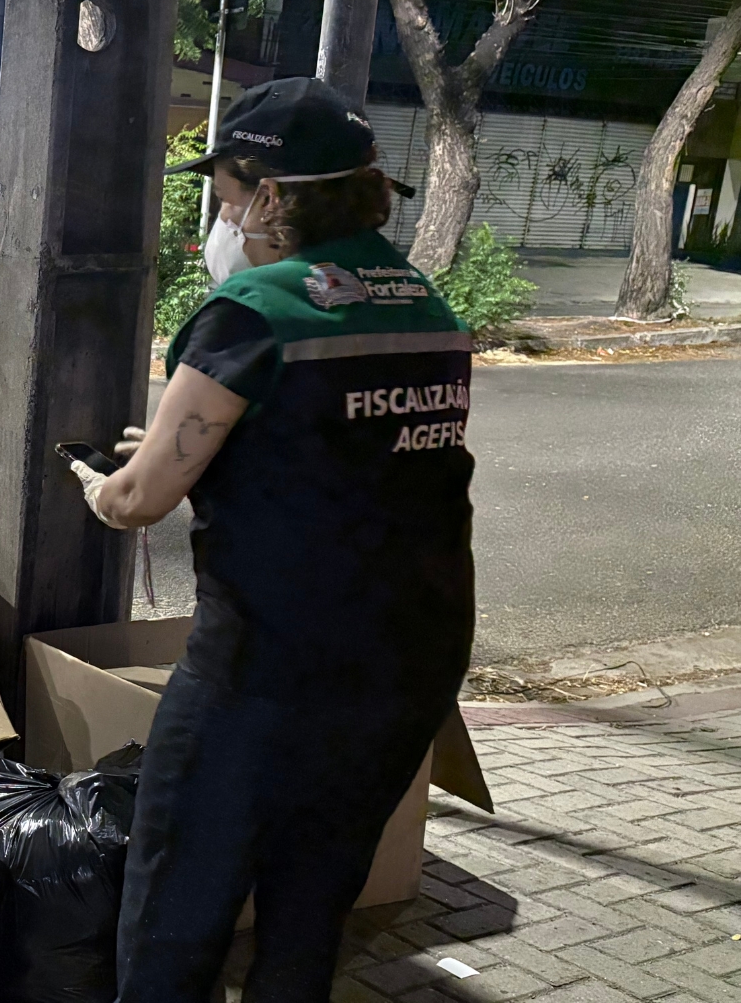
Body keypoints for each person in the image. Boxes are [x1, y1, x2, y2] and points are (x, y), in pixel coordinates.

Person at [70, 78, 473, 1002]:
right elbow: (354, 450)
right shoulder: (425, 303)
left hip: (270, 672)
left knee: (179, 906)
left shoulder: (256, 310)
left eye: (227, 194)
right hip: (408, 665)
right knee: (310, 904)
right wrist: (211, 448)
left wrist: (104, 484)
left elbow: (138, 502)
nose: (224, 217)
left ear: (273, 195)